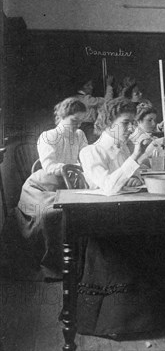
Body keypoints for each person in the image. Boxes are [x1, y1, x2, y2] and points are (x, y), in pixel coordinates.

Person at [77, 97, 165, 337]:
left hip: (126, 218)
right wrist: (135, 158)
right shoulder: (90, 151)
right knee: (149, 241)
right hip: (103, 225)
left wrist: (136, 170)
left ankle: (159, 314)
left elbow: (126, 180)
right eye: (126, 123)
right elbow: (109, 188)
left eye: (133, 123)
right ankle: (126, 322)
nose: (132, 128)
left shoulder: (123, 149)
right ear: (107, 124)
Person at [15, 97, 88, 280]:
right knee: (51, 215)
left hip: (69, 184)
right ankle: (53, 267)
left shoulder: (79, 135)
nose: (77, 125)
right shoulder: (48, 136)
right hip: (41, 186)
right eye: (74, 120)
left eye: (80, 121)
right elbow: (49, 166)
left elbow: (86, 157)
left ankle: (79, 264)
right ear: (63, 115)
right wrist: (72, 167)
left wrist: (85, 166)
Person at [75, 75, 114, 142]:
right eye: (88, 85)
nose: (92, 87)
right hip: (87, 127)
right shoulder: (88, 100)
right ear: (82, 87)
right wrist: (109, 85)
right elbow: (107, 101)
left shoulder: (75, 98)